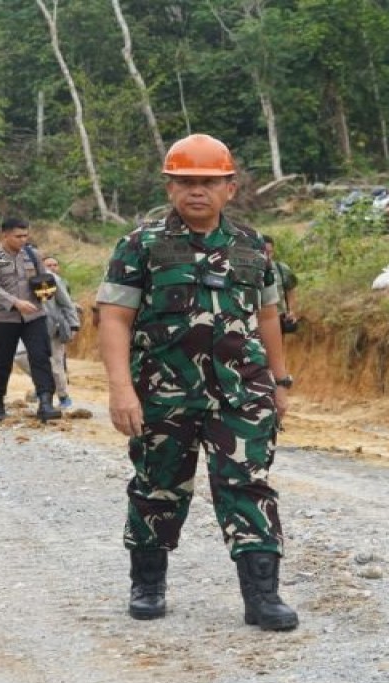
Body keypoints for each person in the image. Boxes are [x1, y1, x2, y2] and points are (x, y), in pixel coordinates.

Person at [96, 133, 299, 631]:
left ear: (230, 187)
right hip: (163, 393)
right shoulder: (140, 246)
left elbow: (268, 315)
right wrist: (121, 389)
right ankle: (147, 583)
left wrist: (280, 380)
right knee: (157, 486)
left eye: (208, 182)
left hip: (242, 392)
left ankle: (263, 596)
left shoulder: (252, 246)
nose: (197, 191)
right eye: (185, 182)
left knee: (247, 485)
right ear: (170, 187)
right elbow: (114, 318)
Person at [0, 218, 62, 421]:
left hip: (34, 316)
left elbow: (45, 278)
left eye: (25, 236)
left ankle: (45, 403)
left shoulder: (33, 255)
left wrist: (47, 294)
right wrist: (16, 302)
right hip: (4, 318)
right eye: (18, 236)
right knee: (2, 361)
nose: (23, 240)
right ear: (5, 235)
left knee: (40, 357)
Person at [13, 255, 80, 409]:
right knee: (20, 356)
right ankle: (45, 384)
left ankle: (63, 397)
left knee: (56, 365)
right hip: (28, 325)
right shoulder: (17, 277)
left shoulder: (52, 278)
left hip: (52, 326)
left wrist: (74, 325)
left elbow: (66, 302)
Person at [266, 239, 299, 334]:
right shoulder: (249, 272)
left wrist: (291, 310)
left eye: (269, 252)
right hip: (256, 319)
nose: (267, 255)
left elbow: (290, 290)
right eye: (263, 252)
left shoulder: (282, 269)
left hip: (278, 316)